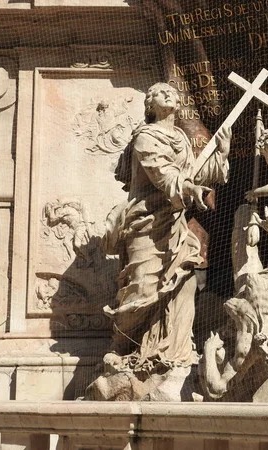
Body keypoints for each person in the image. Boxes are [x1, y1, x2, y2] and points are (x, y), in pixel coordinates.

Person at [102, 82, 231, 372]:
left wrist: (221, 153)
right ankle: (120, 347)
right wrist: (188, 187)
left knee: (183, 287)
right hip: (146, 223)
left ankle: (173, 355)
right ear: (150, 106)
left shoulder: (182, 139)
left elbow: (194, 175)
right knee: (143, 287)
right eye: (160, 93)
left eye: (172, 92)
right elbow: (163, 174)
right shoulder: (146, 137)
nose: (168, 94)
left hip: (176, 225)